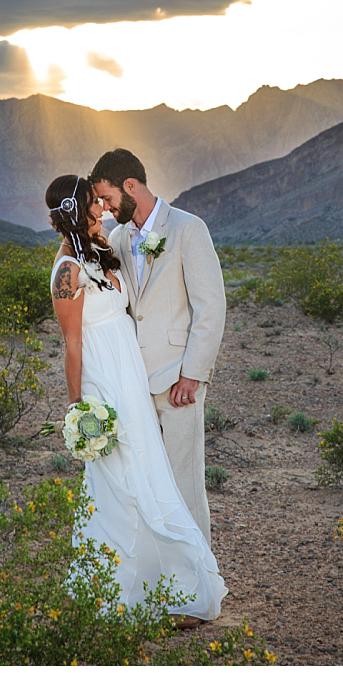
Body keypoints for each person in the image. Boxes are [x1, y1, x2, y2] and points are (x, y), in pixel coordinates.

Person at [46, 174, 227, 626]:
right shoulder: (67, 271)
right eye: (95, 202)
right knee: (116, 484)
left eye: (103, 200)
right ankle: (112, 585)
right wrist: (78, 407)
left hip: (133, 378)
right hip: (104, 386)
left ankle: (166, 581)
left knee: (149, 476)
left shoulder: (107, 250)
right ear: (78, 209)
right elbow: (72, 345)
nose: (104, 209)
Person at [89, 149, 226, 545]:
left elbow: (210, 307)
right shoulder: (117, 236)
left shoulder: (187, 228)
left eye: (109, 198)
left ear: (130, 186)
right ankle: (162, 576)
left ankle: (197, 585)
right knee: (147, 484)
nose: (106, 207)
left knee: (184, 483)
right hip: (134, 384)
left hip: (177, 381)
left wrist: (193, 375)